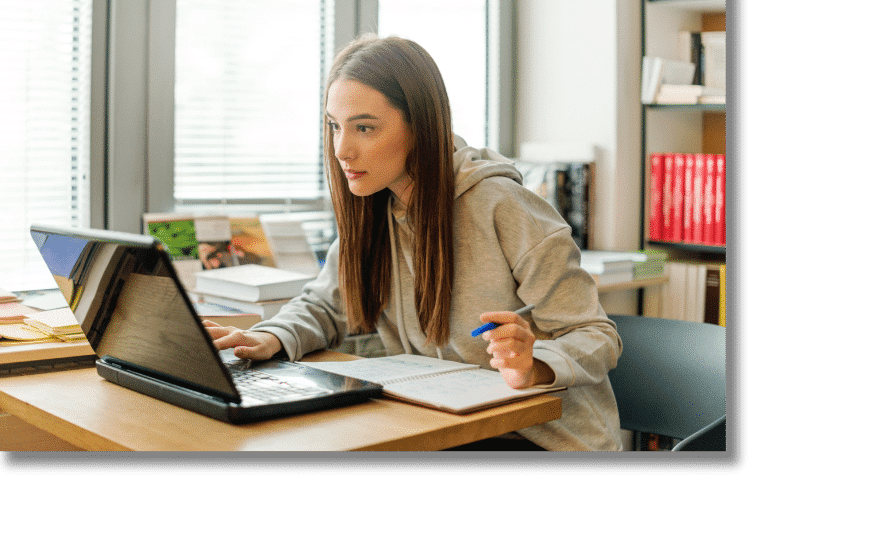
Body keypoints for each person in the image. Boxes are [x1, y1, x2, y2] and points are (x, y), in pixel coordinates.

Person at [206, 34, 623, 450]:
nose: (342, 150)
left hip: (539, 435)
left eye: (364, 128)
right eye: (335, 127)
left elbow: (596, 334)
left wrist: (533, 366)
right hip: (438, 424)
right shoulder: (376, 206)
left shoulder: (503, 206)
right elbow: (325, 306)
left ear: (420, 126)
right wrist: (272, 337)